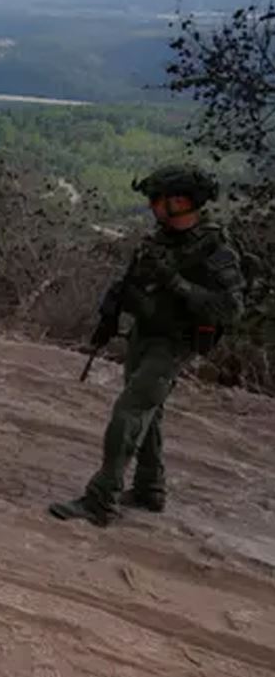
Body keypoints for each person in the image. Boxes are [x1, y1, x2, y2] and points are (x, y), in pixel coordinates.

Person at [50, 164, 245, 527]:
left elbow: (231, 309)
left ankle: (101, 500)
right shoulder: (159, 239)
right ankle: (149, 488)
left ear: (181, 202)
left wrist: (176, 283)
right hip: (145, 333)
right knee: (147, 413)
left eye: (158, 198)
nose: (152, 205)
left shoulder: (215, 251)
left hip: (175, 343)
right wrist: (111, 312)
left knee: (129, 413)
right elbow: (131, 280)